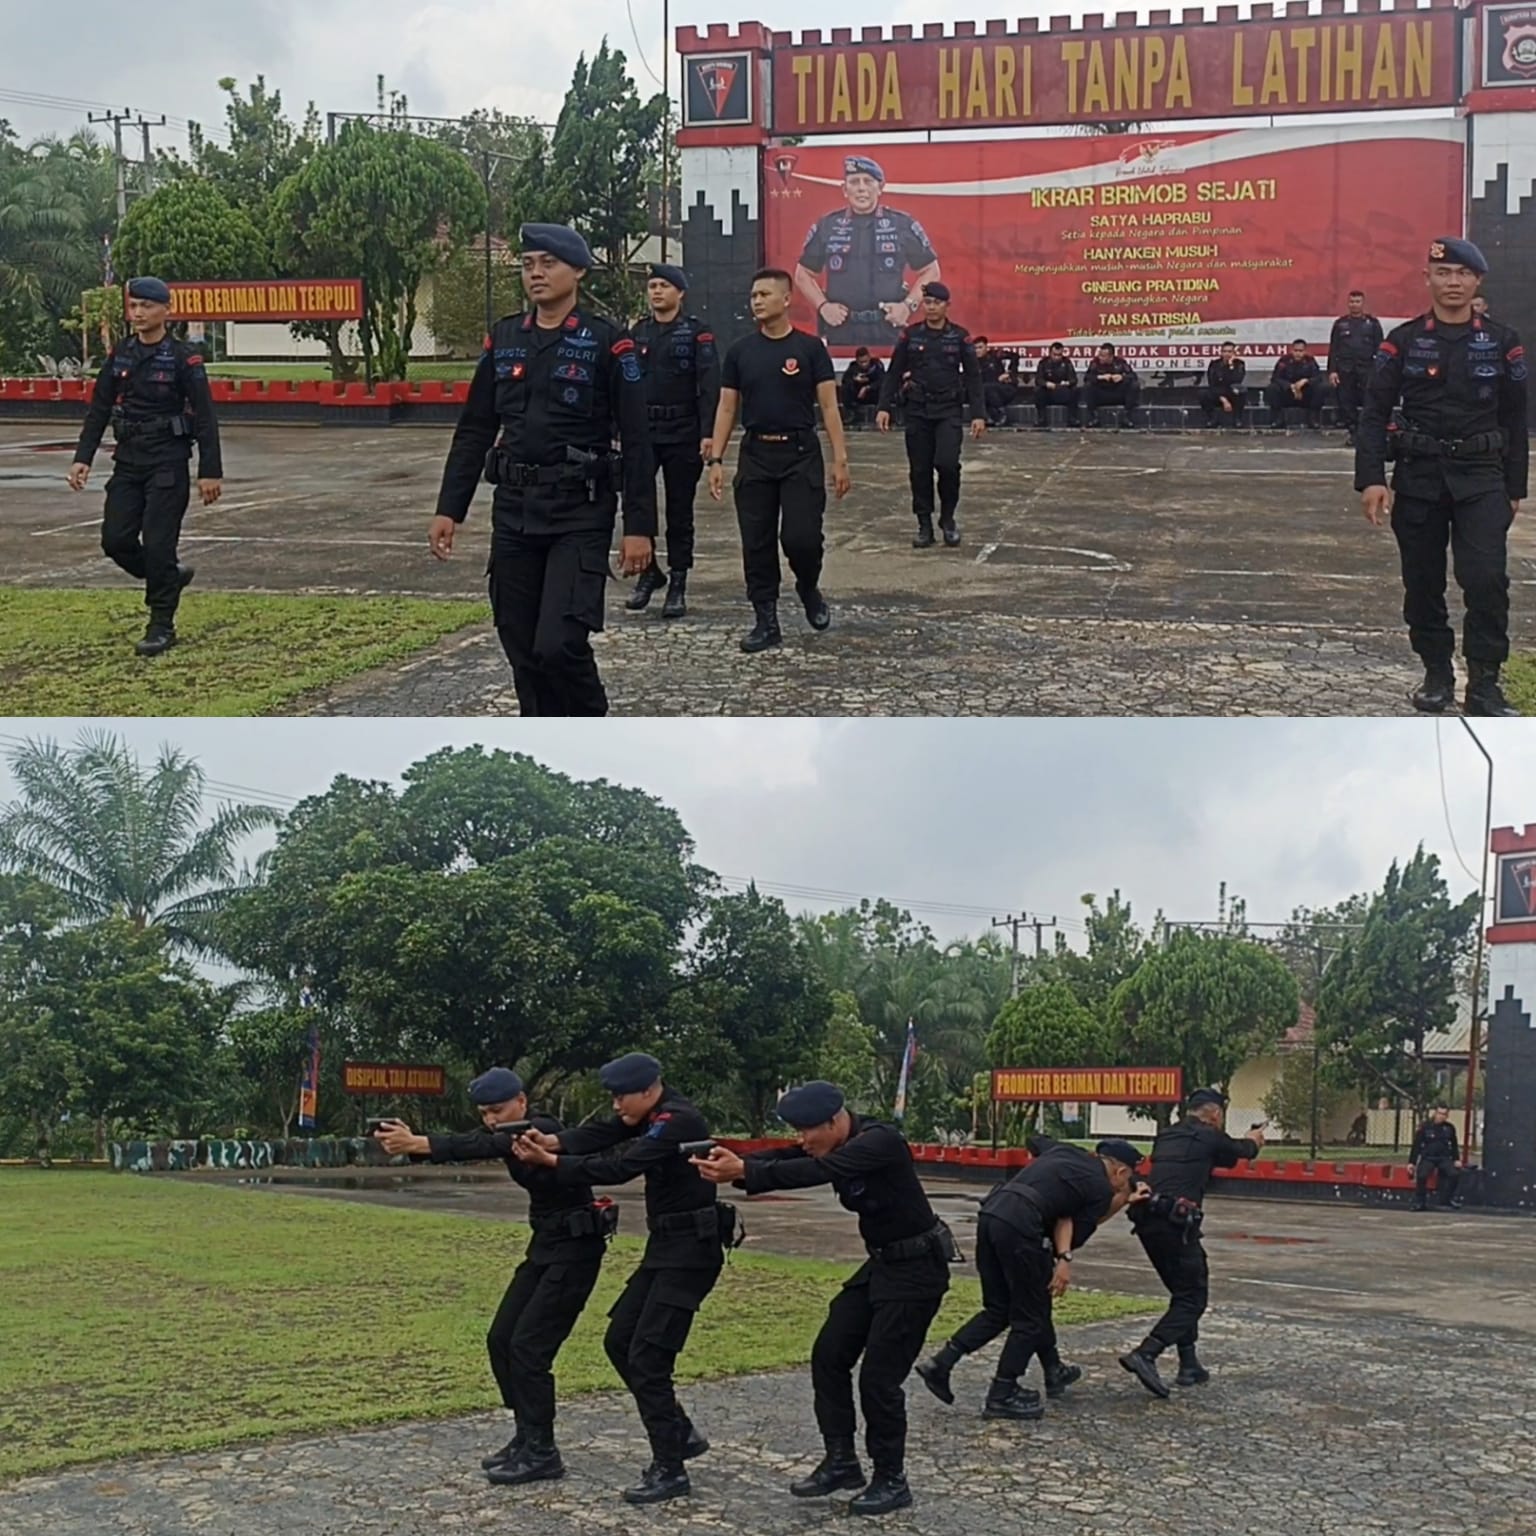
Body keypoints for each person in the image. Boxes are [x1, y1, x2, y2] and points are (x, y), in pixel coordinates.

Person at [429, 223, 656, 717]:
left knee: (559, 643)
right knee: (519, 643)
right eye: (528, 264)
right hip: (514, 513)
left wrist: (639, 528)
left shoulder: (608, 343)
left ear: (577, 270)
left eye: (548, 263)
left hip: (579, 513)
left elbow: (638, 441)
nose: (536, 273)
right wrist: (450, 508)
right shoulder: (505, 338)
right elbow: (474, 430)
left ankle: (590, 719)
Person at [695, 1081, 950, 1517]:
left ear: (835, 1121)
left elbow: (819, 1172)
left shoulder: (879, 1142)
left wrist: (747, 1171)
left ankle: (891, 1479)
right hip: (882, 1266)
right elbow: (788, 1158)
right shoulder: (829, 1144)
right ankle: (841, 1462)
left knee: (879, 1379)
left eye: (807, 1130)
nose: (802, 1139)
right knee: (829, 1353)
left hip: (916, 1271)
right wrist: (737, 1164)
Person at [373, 1068, 611, 1486]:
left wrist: (419, 1144)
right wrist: (415, 1144)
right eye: (484, 1112)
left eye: (498, 1109)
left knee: (529, 1347)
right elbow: (483, 1139)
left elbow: (484, 1143)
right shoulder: (510, 1132)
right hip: (545, 1247)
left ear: (521, 1101)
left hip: (576, 1251)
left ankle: (542, 1451)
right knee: (501, 1338)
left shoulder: (543, 1129)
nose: (491, 1119)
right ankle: (526, 1434)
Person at [512, 1053, 727, 1505]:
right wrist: (555, 1139)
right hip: (665, 1249)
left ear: (650, 1089)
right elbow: (600, 1134)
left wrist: (551, 1160)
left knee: (648, 1356)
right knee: (619, 1340)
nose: (615, 1105)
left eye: (620, 1096)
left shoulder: (677, 1121)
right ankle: (679, 1431)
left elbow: (620, 1166)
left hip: (691, 1253)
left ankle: (669, 1468)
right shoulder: (649, 1115)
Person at [1358, 236, 1528, 717]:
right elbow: (1374, 414)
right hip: (1419, 479)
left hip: (1481, 480)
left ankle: (1485, 686)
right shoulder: (1403, 341)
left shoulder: (1502, 341)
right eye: (1443, 273)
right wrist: (1372, 478)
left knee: (1487, 581)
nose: (1453, 282)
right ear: (1427, 279)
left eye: (1462, 274)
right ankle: (1436, 674)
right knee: (1423, 584)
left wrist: (1515, 488)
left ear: (1477, 281)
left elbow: (1516, 421)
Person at [915, 1137, 1147, 1421]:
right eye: (1126, 1180)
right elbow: (1075, 1235)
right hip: (1021, 1225)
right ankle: (1002, 1393)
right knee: (1030, 1317)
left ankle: (941, 1364)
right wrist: (1120, 1201)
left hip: (993, 1213)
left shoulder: (1064, 1151)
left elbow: (1036, 1142)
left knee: (1000, 1308)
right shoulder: (1100, 1188)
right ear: (1121, 1172)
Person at [67, 275, 223, 657]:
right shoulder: (121, 354)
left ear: (165, 311)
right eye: (133, 306)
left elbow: (205, 417)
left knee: (158, 544)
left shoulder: (185, 359)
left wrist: (210, 471)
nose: (137, 313)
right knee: (115, 540)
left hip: (167, 461)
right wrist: (82, 458)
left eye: (146, 306)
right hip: (129, 461)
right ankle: (167, 575)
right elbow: (100, 408)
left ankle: (161, 625)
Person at [707, 268, 851, 655]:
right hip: (756, 455)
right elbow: (726, 407)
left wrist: (841, 459)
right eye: (753, 294)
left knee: (801, 539)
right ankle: (765, 620)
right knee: (756, 542)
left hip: (800, 455)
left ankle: (808, 586)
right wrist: (716, 459)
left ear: (787, 299)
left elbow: (828, 406)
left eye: (765, 294)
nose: (756, 301)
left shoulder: (809, 349)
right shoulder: (740, 352)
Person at [1119, 1087, 1263, 1398]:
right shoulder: (1210, 1134)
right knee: (1193, 1298)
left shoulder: (1167, 1136)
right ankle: (1147, 1353)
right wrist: (1255, 1140)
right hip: (1174, 1223)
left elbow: (1222, 1158)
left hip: (1147, 1220)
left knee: (1181, 1292)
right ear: (1214, 1114)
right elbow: (1243, 1151)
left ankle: (1188, 1364)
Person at [624, 263, 719, 621]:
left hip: (682, 432)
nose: (657, 292)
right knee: (637, 503)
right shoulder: (637, 333)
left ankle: (678, 580)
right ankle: (649, 573)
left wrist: (709, 435)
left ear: (680, 293)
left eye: (664, 285)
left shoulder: (697, 334)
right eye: (652, 286)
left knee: (680, 511)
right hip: (644, 433)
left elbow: (710, 386)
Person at [876, 282, 984, 549]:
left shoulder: (960, 337)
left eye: (937, 302)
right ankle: (924, 525)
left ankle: (948, 520)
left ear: (947, 305)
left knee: (947, 465)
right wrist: (883, 407)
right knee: (920, 470)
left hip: (948, 410)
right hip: (917, 410)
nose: (931, 307)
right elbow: (893, 372)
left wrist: (979, 415)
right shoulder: (910, 336)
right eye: (928, 302)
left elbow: (973, 377)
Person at [794, 155, 941, 350]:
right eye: (854, 182)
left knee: (892, 378)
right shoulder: (827, 226)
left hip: (888, 326)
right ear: (845, 190)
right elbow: (802, 274)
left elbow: (931, 271)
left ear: (880, 187)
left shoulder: (902, 224)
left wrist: (907, 306)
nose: (861, 188)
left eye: (868, 181)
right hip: (842, 327)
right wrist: (823, 307)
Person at [1328, 290, 1384, 445]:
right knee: (1347, 403)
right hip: (1345, 369)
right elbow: (1334, 349)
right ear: (1348, 303)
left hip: (1366, 369)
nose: (1354, 305)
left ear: (1363, 303)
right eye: (1352, 301)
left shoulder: (1372, 324)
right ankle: (1353, 432)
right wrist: (1332, 371)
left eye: (1357, 301)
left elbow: (1380, 350)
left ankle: (1366, 433)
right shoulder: (1340, 324)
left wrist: (1379, 371)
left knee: (1369, 401)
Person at [1409, 1104, 1463, 1211]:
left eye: (1444, 1114)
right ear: (1435, 1113)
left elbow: (1454, 1145)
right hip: (1428, 1157)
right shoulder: (1425, 1127)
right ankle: (1420, 1202)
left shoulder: (1449, 1128)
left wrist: (1456, 1159)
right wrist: (1412, 1162)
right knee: (1422, 1175)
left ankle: (1448, 1199)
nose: (1441, 1116)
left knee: (1454, 1174)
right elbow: (1417, 1145)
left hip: (1443, 1158)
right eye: (1440, 1113)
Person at [1265, 338, 1324, 429]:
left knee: (1321, 388)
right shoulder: (1284, 360)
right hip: (1288, 394)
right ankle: (1278, 419)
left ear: (1305, 351)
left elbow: (1318, 377)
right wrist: (1290, 386)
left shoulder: (1310, 360)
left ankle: (1313, 418)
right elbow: (1275, 378)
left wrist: (1305, 381)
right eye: (1295, 350)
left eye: (1300, 351)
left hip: (1304, 394)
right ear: (1292, 350)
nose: (1298, 353)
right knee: (1272, 388)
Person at [1083, 343, 1142, 426]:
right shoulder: (1095, 363)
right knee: (1088, 386)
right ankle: (1094, 417)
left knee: (1134, 385)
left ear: (1111, 356)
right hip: (1102, 394)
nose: (1100, 358)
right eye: (1100, 355)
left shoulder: (1120, 362)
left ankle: (1126, 416)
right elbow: (1087, 377)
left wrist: (1122, 377)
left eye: (1103, 356)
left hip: (1117, 393)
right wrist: (1100, 377)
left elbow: (1133, 376)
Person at [1199, 343, 1248, 427]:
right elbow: (1212, 382)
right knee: (1203, 394)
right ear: (1221, 353)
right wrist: (1223, 399)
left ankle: (1237, 419)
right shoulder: (1214, 364)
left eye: (1229, 351)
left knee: (1241, 390)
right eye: (1224, 351)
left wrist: (1231, 366)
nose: (1227, 354)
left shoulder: (1239, 364)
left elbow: (1237, 380)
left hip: (1232, 392)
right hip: (1217, 393)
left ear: (1234, 353)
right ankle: (1213, 419)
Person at [1034, 342, 1080, 427]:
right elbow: (1038, 379)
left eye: (1059, 355)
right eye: (1054, 354)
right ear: (1050, 353)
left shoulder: (1067, 362)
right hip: (1048, 391)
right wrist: (1046, 383)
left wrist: (1067, 383)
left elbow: (1074, 379)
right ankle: (1041, 418)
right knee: (1038, 391)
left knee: (1074, 390)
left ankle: (1072, 418)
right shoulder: (1043, 363)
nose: (1057, 357)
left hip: (1062, 391)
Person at [975, 338, 1015, 427]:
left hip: (1002, 389)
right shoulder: (973, 363)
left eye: (980, 347)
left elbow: (1015, 357)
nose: (978, 351)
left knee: (988, 389)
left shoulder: (995, 357)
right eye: (976, 348)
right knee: (985, 389)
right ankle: (997, 415)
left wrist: (1009, 373)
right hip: (985, 391)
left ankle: (1000, 415)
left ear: (986, 347)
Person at [839, 347, 886, 415]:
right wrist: (854, 380)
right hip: (858, 394)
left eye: (865, 361)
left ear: (869, 358)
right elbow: (845, 380)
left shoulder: (876, 367)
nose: (864, 364)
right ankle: (851, 412)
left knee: (883, 388)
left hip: (872, 394)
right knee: (845, 388)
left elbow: (882, 381)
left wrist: (868, 387)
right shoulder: (853, 368)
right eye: (861, 362)